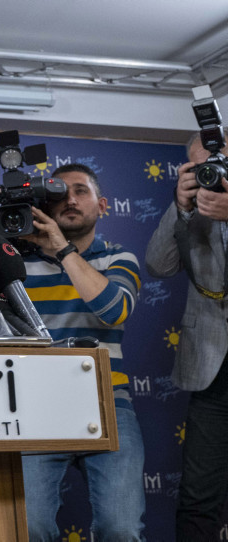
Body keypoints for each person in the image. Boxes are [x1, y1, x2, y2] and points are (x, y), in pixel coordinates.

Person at [0, 163, 145, 541]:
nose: (70, 199)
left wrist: (62, 250)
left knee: (120, 528)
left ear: (102, 205)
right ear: (45, 206)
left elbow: (115, 309)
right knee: (30, 527)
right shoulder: (15, 264)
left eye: (81, 191)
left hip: (108, 403)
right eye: (60, 193)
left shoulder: (119, 258)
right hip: (36, 407)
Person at [146, 133, 228, 541]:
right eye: (199, 168)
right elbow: (158, 266)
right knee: (198, 496)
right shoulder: (193, 208)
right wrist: (181, 206)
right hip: (212, 370)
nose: (210, 174)